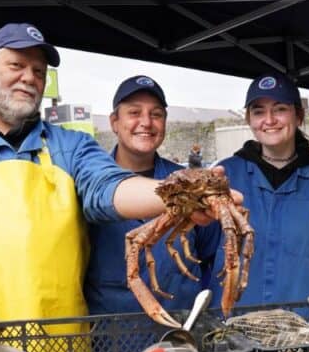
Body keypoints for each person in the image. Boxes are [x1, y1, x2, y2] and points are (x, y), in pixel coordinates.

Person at [0, 23, 232, 341]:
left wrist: (183, 194)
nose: (29, 78)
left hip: (64, 348)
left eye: (38, 71)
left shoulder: (73, 147)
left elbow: (110, 188)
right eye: (16, 66)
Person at [84, 76, 215, 315]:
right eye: (134, 112)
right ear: (114, 122)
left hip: (184, 333)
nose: (146, 122)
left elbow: (211, 254)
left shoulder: (192, 182)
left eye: (156, 114)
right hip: (112, 336)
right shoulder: (89, 184)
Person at [209, 74, 309, 315]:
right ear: (248, 118)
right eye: (258, 111)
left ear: (298, 116)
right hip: (235, 328)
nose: (269, 120)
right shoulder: (224, 176)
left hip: (307, 329)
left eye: (280, 109)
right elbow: (201, 249)